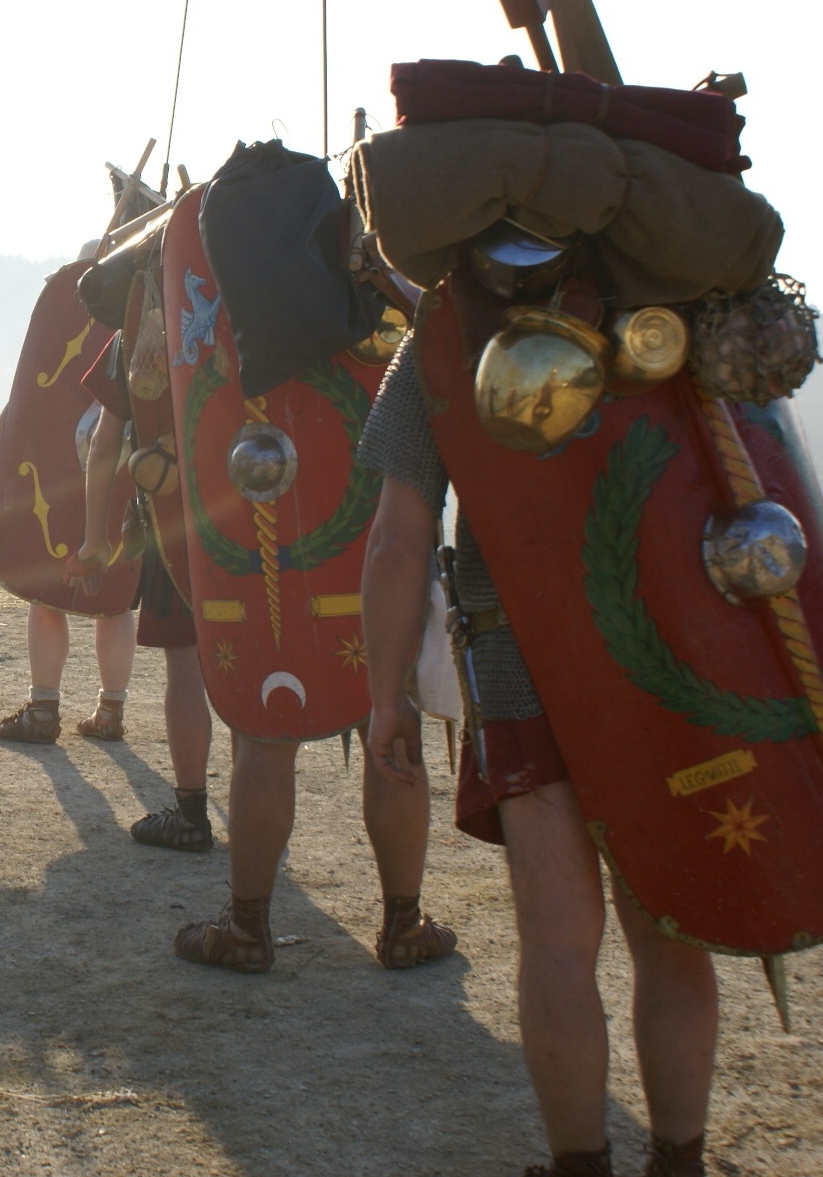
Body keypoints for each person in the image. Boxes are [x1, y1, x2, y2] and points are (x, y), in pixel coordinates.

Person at [359, 328, 717, 1176]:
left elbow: (398, 540)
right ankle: (679, 1161)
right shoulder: (665, 292)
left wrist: (385, 695)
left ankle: (581, 1166)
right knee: (668, 932)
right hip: (664, 661)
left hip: (524, 661)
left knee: (558, 941)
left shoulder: (450, 325)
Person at [69, 332, 216, 851]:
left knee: (186, 664)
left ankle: (193, 814)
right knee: (249, 658)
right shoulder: (267, 287)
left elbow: (106, 440)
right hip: (258, 510)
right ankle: (254, 806)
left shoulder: (144, 311)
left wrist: (93, 538)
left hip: (173, 520)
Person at [0, 422, 137, 743]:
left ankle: (43, 711)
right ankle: (110, 712)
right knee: (115, 587)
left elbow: (31, 386)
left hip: (60, 455)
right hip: (125, 449)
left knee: (48, 585)